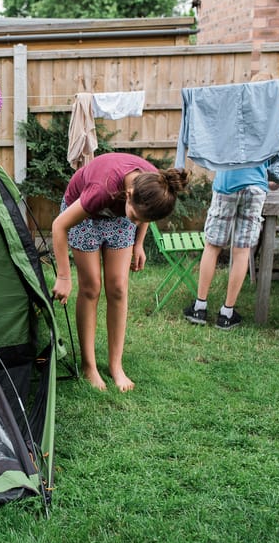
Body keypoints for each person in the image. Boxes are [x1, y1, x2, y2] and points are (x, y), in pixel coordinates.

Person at [51, 152, 191, 392]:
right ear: (129, 194)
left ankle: (116, 365)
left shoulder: (152, 185)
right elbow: (59, 225)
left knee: (117, 288)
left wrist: (139, 243)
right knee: (91, 287)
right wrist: (64, 276)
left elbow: (143, 214)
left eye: (142, 219)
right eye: (137, 217)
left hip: (119, 217)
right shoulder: (101, 189)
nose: (138, 222)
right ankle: (89, 366)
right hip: (84, 216)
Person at [183, 114, 279, 330]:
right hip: (255, 189)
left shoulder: (233, 114)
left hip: (226, 184)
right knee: (242, 249)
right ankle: (227, 314)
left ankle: (199, 308)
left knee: (213, 245)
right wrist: (266, 184)